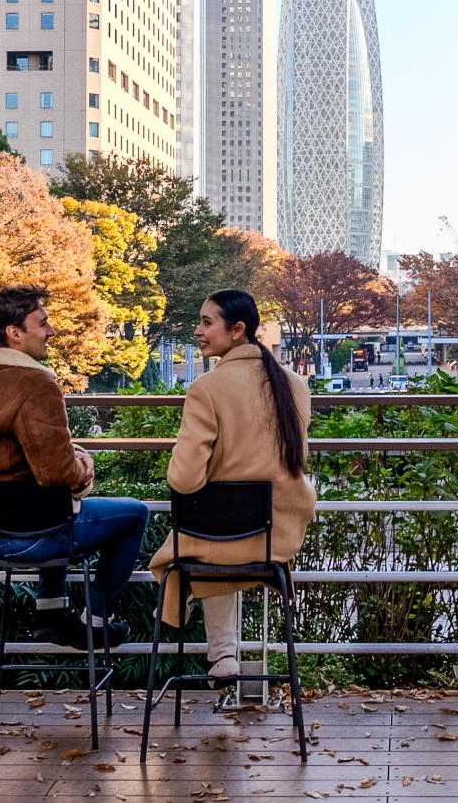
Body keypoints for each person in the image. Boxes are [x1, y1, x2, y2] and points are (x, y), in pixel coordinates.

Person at [0, 285, 149, 648]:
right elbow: (57, 472)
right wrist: (83, 464)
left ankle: (51, 612)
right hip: (28, 538)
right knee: (133, 514)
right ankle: (96, 621)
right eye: (43, 323)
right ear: (15, 333)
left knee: (48, 503)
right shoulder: (36, 382)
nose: (51, 331)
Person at [149, 290, 318, 678]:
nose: (198, 331)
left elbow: (184, 479)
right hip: (277, 536)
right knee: (218, 536)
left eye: (207, 323)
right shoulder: (294, 385)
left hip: (220, 538)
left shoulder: (206, 389)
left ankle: (221, 652)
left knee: (201, 541)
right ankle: (223, 654)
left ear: (237, 330)